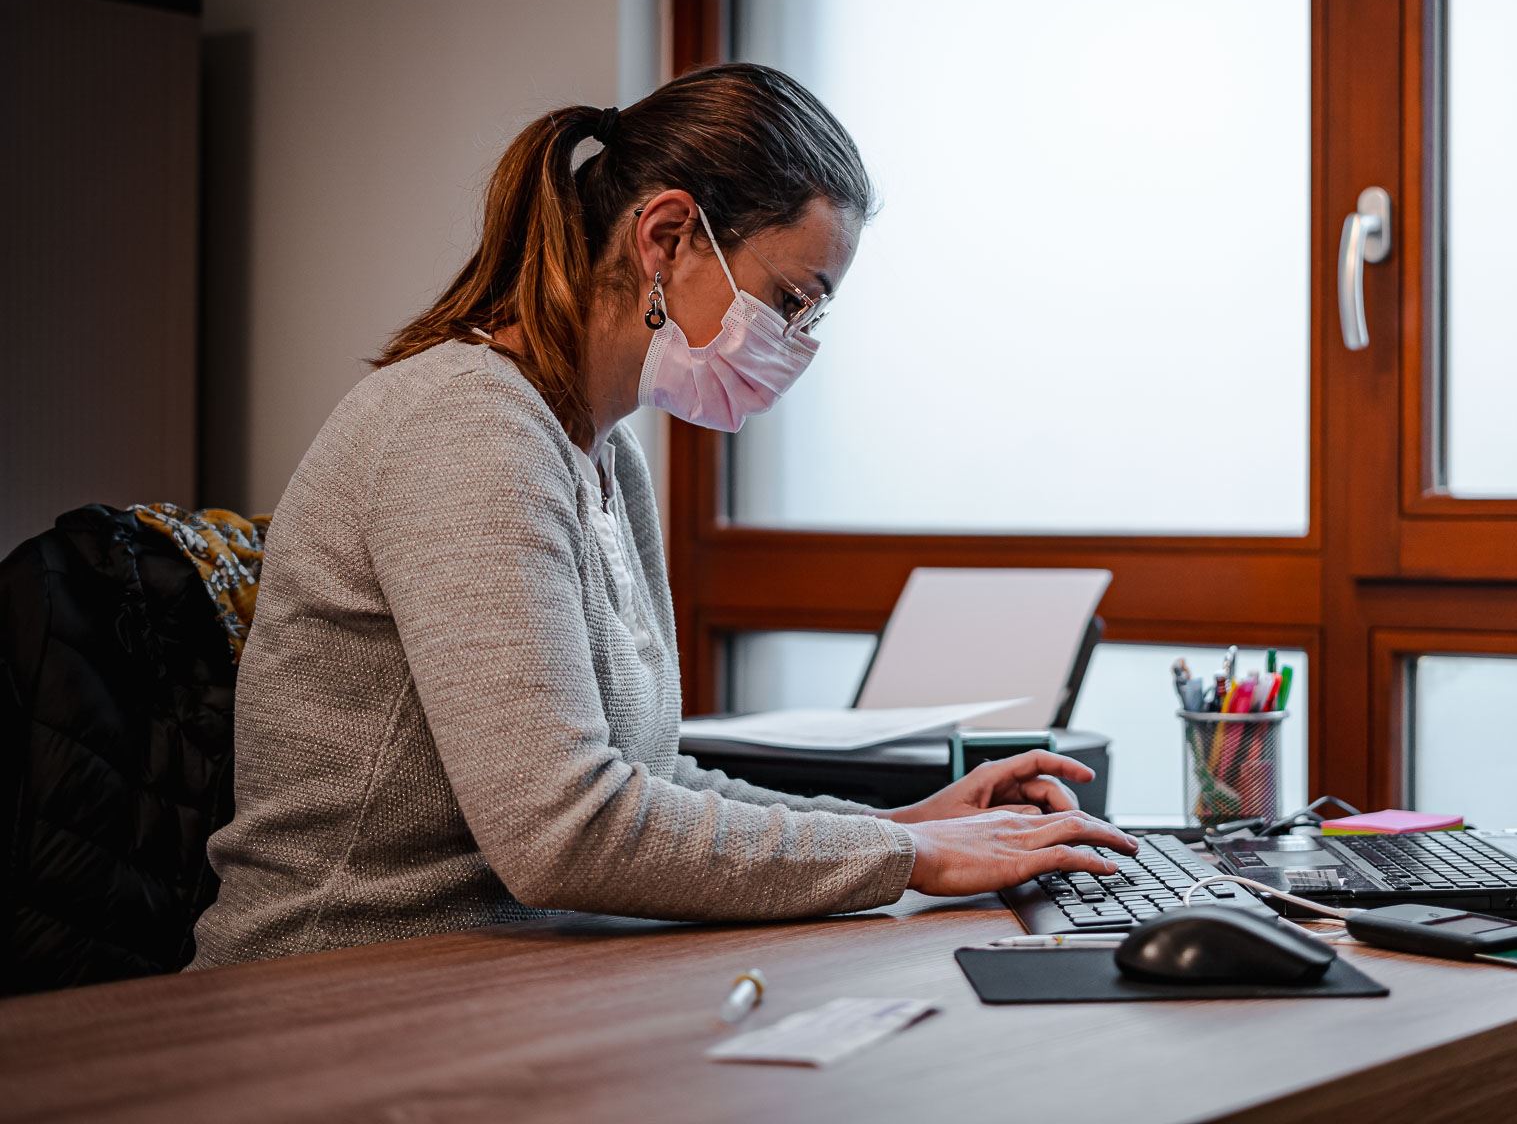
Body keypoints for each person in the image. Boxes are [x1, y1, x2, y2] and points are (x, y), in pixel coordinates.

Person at [189, 64, 1135, 967]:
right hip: (336, 985)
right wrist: (912, 863)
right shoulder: (465, 425)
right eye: (792, 301)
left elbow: (651, 785)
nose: (795, 343)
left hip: (509, 973)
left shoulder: (606, 453)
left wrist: (904, 825)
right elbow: (567, 833)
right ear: (667, 237)